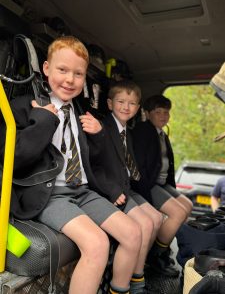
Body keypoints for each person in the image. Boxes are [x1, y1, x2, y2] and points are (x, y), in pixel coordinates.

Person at [0, 36, 144, 294]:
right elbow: (15, 159)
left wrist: (99, 135)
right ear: (46, 69)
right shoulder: (24, 107)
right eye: (62, 70)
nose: (69, 80)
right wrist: (42, 121)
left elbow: (100, 163)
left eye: (78, 74)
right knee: (97, 243)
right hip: (50, 194)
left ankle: (120, 290)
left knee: (133, 233)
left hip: (83, 191)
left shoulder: (81, 112)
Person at [89, 80, 163, 293]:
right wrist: (112, 191)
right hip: (109, 190)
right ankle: (133, 283)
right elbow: (93, 166)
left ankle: (137, 273)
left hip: (125, 188)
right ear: (110, 104)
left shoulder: (126, 132)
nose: (126, 107)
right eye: (121, 101)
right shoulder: (103, 126)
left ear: (138, 109)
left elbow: (128, 166)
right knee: (145, 225)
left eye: (132, 103)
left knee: (156, 218)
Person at [131, 95, 193, 276]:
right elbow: (140, 167)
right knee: (178, 213)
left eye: (166, 112)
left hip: (162, 183)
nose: (163, 116)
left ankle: (163, 248)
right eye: (158, 112)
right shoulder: (144, 131)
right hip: (148, 184)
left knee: (188, 206)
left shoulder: (162, 133)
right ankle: (155, 256)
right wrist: (147, 197)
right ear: (148, 113)